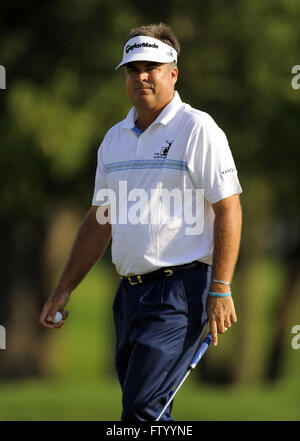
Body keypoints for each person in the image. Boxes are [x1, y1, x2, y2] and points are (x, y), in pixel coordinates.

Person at [39, 23, 242, 421]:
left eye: (152, 67)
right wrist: (63, 289)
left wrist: (220, 288)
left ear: (173, 73)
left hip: (179, 293)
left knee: (142, 408)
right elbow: (101, 219)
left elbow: (228, 208)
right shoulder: (114, 139)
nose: (141, 76)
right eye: (133, 69)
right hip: (129, 296)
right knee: (151, 409)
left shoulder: (197, 129)